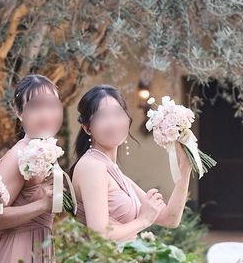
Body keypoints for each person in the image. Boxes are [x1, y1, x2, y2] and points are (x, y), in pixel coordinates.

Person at [71, 85, 191, 241]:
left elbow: (169, 219)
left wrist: (185, 169)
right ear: (87, 128)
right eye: (102, 116)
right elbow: (99, 235)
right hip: (104, 258)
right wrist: (143, 220)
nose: (113, 123)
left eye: (118, 114)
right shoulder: (92, 167)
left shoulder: (112, 170)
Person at [0, 74, 61, 263]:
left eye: (52, 105)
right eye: (36, 107)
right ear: (19, 112)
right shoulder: (19, 155)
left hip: (39, 249)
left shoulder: (44, 150)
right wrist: (41, 205)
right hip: (16, 255)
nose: (46, 114)